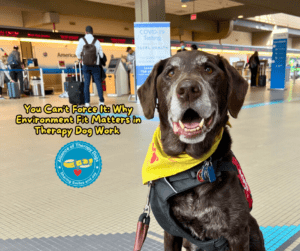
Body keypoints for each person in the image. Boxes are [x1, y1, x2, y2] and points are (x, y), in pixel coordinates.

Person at [76, 25, 104, 107]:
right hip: (95, 65)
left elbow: (77, 52)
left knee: (86, 84)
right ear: (92, 32)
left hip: (85, 66)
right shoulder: (96, 41)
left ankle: (87, 102)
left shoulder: (82, 40)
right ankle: (101, 101)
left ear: (85, 32)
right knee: (98, 83)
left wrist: (80, 59)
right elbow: (101, 55)